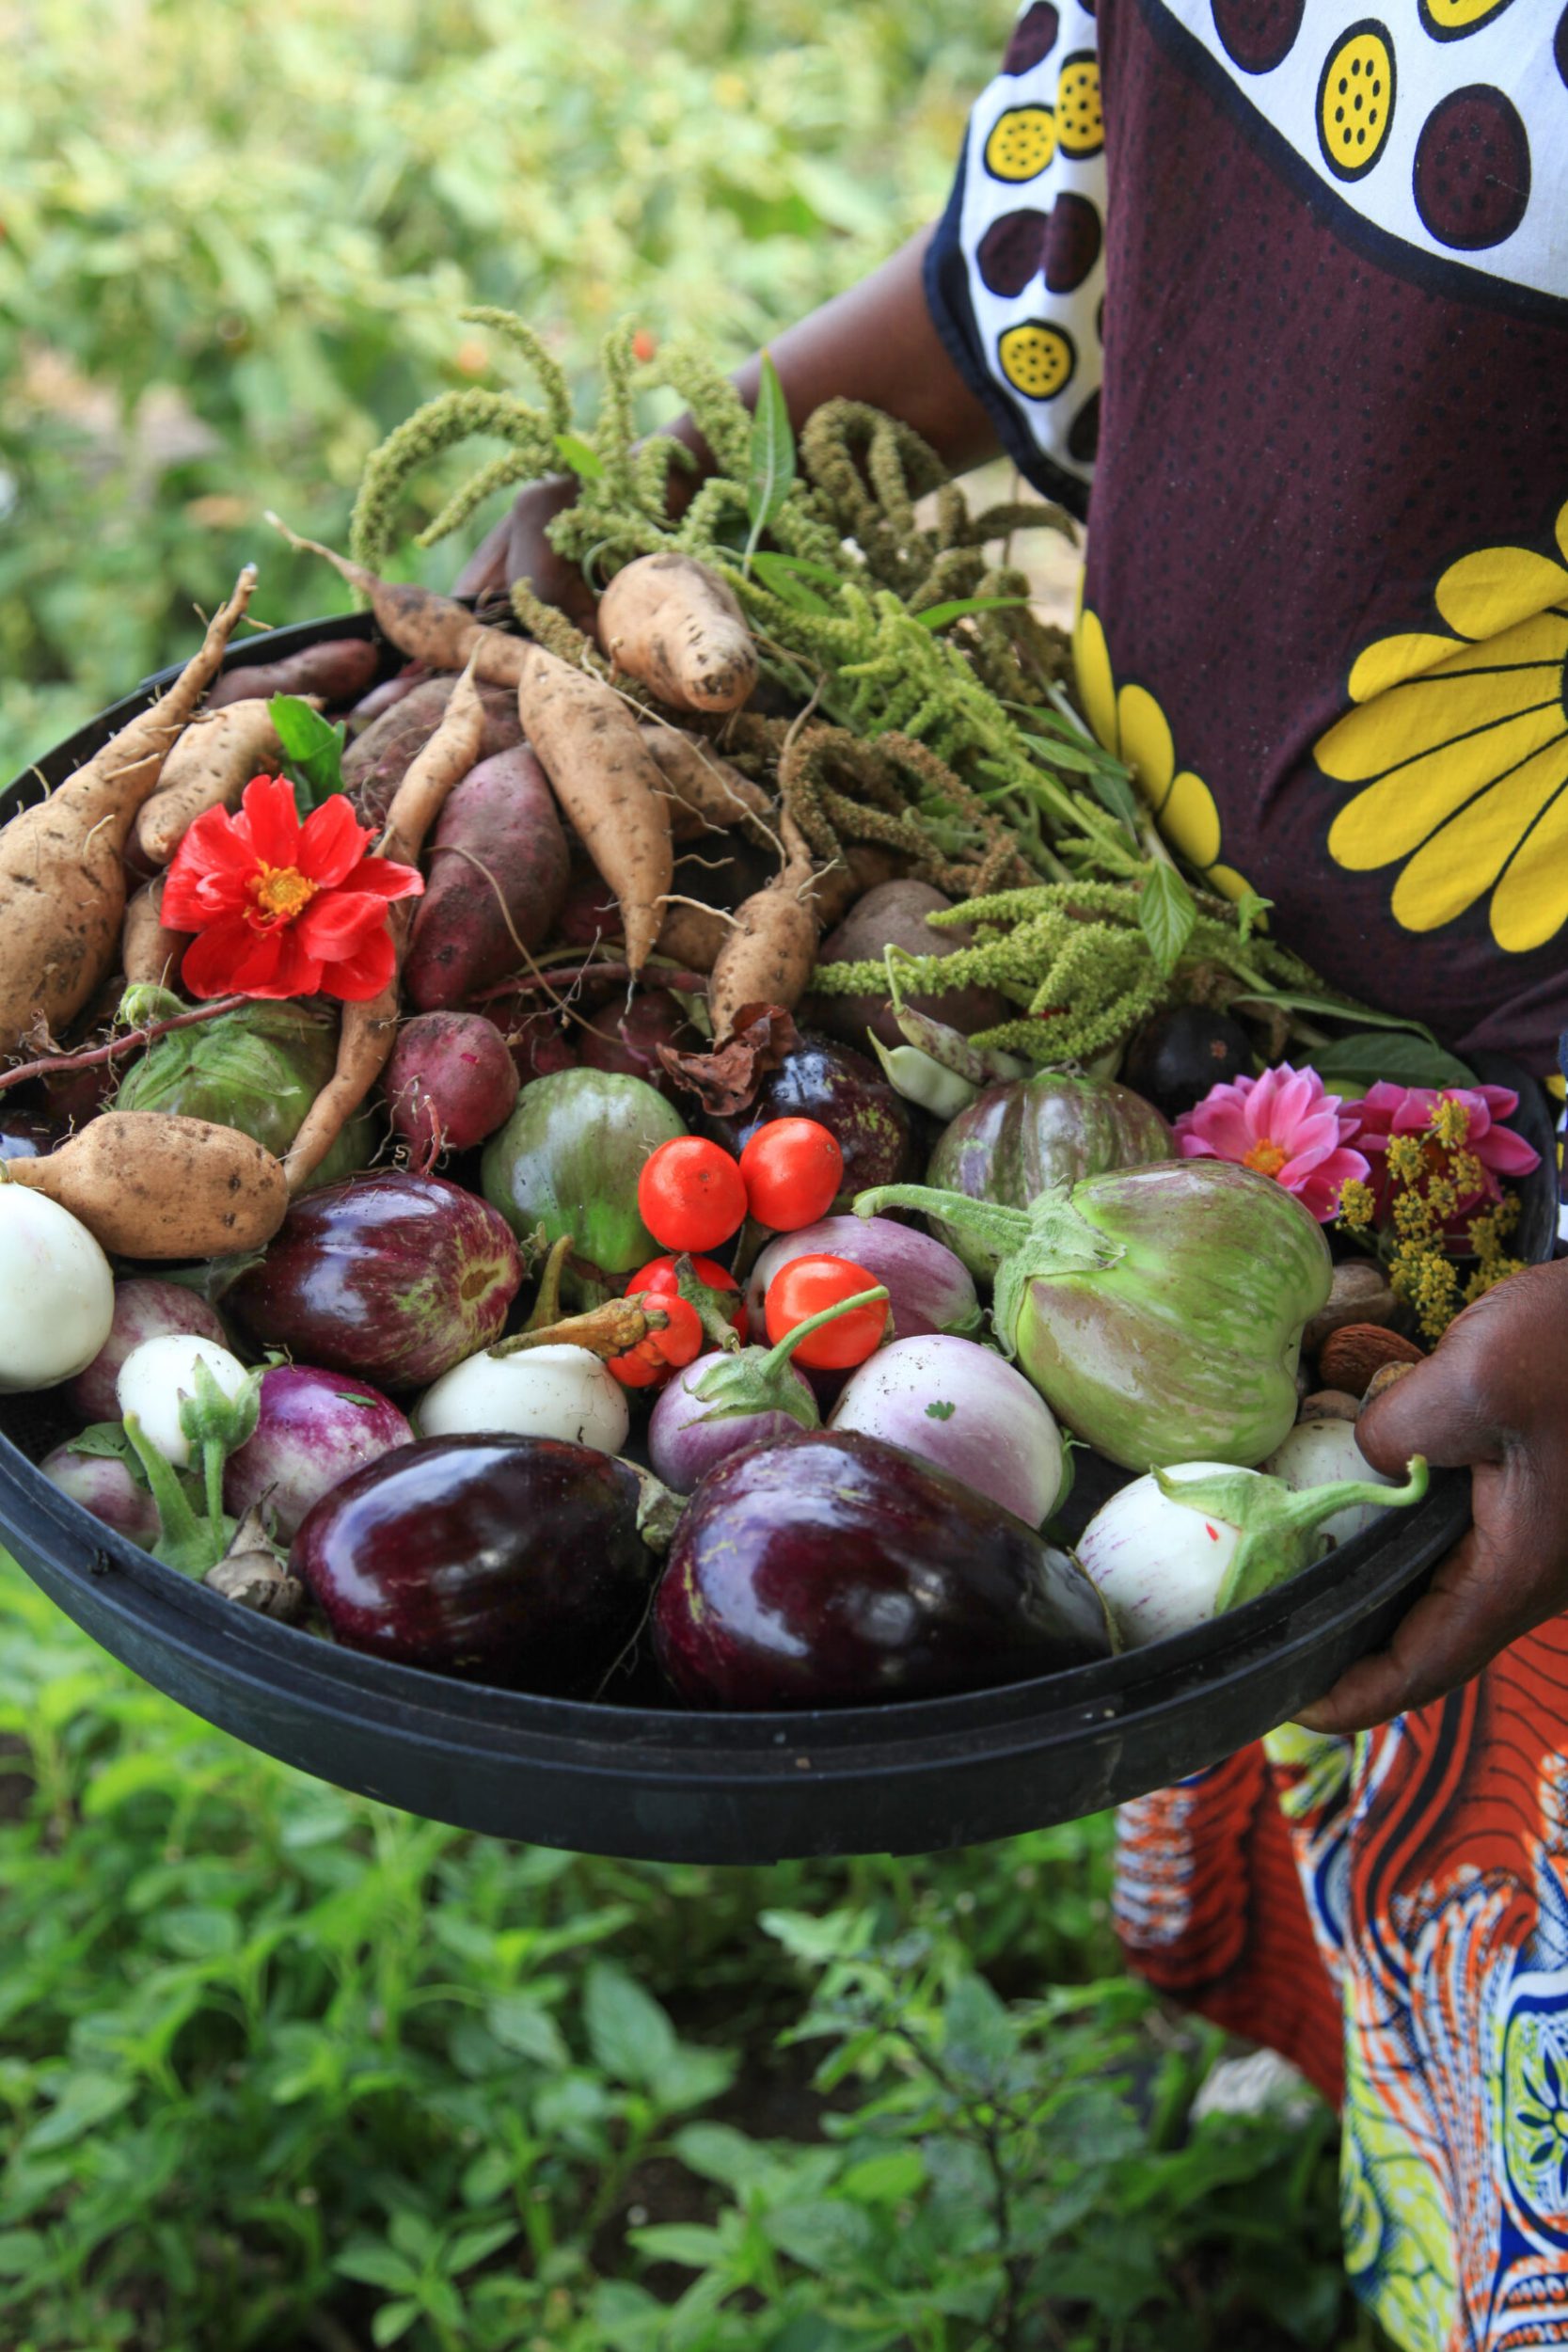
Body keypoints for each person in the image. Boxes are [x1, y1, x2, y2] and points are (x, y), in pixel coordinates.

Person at [446, 6, 1568, 2340]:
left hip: (1516, 1228)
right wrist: (698, 474)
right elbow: (1077, 223)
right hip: (1285, 1110)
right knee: (1296, 1629)